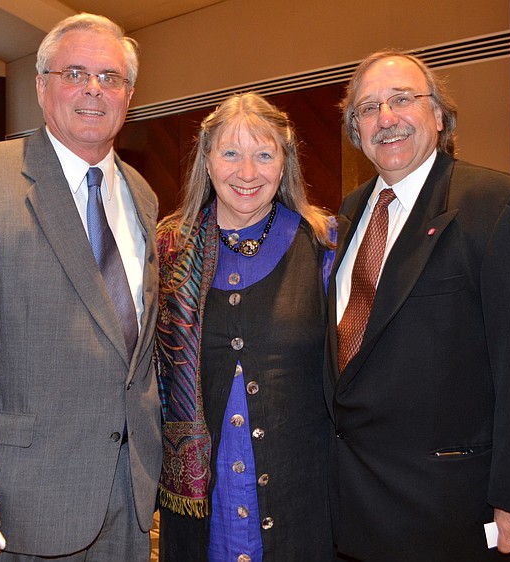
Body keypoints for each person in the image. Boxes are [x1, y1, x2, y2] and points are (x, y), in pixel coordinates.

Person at [0, 13, 161, 561]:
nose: (94, 89)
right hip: (23, 499)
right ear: (41, 85)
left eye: (110, 77)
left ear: (129, 94)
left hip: (130, 492)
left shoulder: (141, 194)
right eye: (74, 73)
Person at [327, 49, 510, 561]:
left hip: (448, 505)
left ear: (438, 115)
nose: (385, 118)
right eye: (368, 108)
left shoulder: (500, 204)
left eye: (401, 100)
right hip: (352, 500)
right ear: (355, 130)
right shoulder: (349, 213)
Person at [155, 92, 336, 561]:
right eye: (231, 153)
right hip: (201, 503)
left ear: (284, 161)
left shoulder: (325, 246)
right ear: (207, 161)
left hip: (302, 495)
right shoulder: (168, 250)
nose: (248, 172)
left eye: (264, 154)